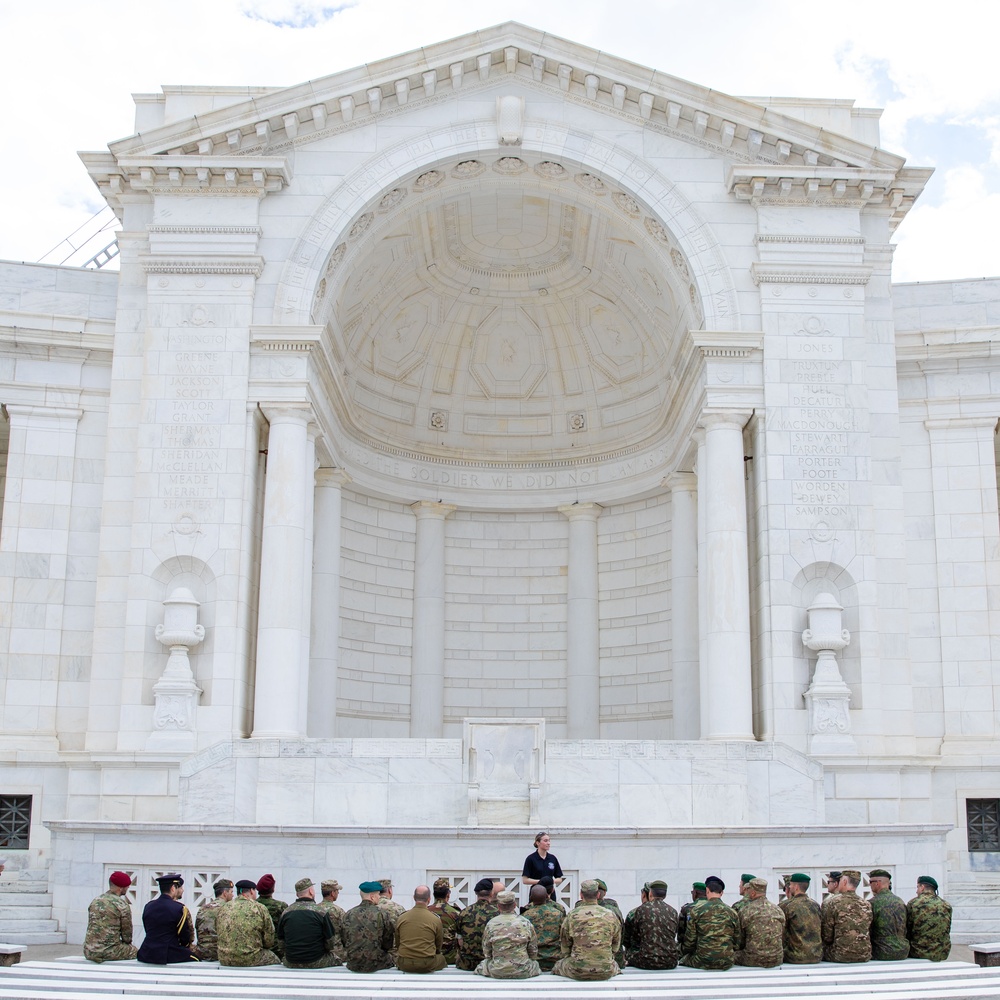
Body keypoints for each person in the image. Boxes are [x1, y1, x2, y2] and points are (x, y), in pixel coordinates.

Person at [551, 879, 621, 980]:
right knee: (614, 965)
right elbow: (615, 945)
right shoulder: (610, 915)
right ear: (598, 895)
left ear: (581, 895)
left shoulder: (572, 915)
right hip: (606, 970)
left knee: (558, 965)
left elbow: (565, 945)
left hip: (577, 970)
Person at [277, 877, 340, 969]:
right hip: (316, 960)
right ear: (311, 891)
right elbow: (330, 942)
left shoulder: (286, 912)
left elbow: (280, 942)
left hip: (290, 961)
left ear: (297, 894)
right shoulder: (320, 912)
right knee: (338, 959)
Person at [476, 889, 540, 978]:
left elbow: (487, 952)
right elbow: (533, 951)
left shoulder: (491, 924)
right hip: (523, 970)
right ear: (514, 905)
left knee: (483, 964)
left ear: (498, 906)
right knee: (535, 964)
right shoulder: (525, 923)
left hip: (497, 970)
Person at [679, 875, 738, 970]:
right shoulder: (732, 912)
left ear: (707, 891)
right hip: (727, 961)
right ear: (722, 893)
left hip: (702, 960)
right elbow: (737, 941)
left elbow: (690, 942)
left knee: (683, 960)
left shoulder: (697, 911)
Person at [216, 878, 279, 967]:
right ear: (251, 891)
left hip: (225, 959)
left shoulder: (224, 907)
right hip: (251, 958)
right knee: (275, 958)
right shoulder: (259, 907)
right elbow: (269, 941)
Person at [136, 874, 198, 964]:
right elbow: (185, 938)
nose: (182, 890)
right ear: (173, 888)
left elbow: (148, 930)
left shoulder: (148, 906)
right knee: (196, 959)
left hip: (146, 953)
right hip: (168, 954)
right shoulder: (180, 909)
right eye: (180, 887)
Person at [623, 879, 678, 970]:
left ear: (650, 893)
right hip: (670, 962)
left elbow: (633, 938)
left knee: (629, 952)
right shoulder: (673, 911)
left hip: (646, 961)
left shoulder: (641, 910)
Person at [84, 871, 137, 963]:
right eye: (127, 886)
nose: (128, 888)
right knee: (135, 951)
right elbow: (127, 936)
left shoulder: (95, 901)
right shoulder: (121, 904)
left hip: (89, 951)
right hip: (109, 951)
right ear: (121, 888)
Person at [341, 881, 395, 972]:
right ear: (372, 897)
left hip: (353, 963)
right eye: (378, 895)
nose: (379, 897)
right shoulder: (382, 914)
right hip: (376, 962)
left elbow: (344, 939)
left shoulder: (349, 914)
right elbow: (388, 942)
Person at [821, 869, 872, 962]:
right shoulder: (866, 904)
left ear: (844, 882)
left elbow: (827, 936)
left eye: (840, 881)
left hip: (839, 954)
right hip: (864, 954)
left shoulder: (833, 902)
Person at [394, 885, 447, 973]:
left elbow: (398, 943)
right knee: (442, 959)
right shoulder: (435, 919)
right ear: (429, 899)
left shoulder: (402, 917)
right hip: (427, 964)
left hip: (404, 963)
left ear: (414, 898)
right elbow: (438, 946)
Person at [734, 877, 784, 968]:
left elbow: (739, 940)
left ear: (753, 893)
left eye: (748, 890)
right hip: (776, 959)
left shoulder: (746, 910)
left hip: (752, 959)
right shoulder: (778, 910)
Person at [454, 877, 499, 971]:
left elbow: (460, 940)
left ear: (476, 894)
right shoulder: (497, 913)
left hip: (466, 964)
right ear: (491, 893)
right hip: (490, 964)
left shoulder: (464, 912)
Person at [906, 875, 952, 962]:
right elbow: (947, 928)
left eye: (917, 887)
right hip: (942, 953)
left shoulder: (913, 903)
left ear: (922, 887)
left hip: (918, 952)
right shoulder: (946, 905)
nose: (916, 891)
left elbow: (907, 929)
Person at [780, 873, 822, 964]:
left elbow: (781, 933)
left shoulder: (786, 905)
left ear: (796, 887)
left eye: (790, 885)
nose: (789, 887)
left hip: (795, 956)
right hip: (817, 955)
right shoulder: (815, 905)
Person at [521, 883, 564, 971]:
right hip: (555, 960)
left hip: (534, 961)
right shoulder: (558, 914)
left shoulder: (525, 916)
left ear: (531, 898)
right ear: (546, 897)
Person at [868, 869, 909, 960]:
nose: (869, 885)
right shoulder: (900, 901)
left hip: (880, 951)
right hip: (903, 951)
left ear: (877, 883)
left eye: (870, 882)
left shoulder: (872, 903)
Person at [195, 878, 234, 961]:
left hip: (202, 953)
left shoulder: (202, 908)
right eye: (231, 892)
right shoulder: (229, 908)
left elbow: (198, 931)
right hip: (220, 954)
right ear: (225, 893)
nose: (233, 895)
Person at [428, 877, 461, 964]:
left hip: (430, 958)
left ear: (434, 894)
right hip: (450, 959)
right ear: (448, 894)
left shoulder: (425, 911)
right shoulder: (456, 913)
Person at [255, 874, 286, 958]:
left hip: (256, 949)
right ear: (273, 889)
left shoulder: (252, 905)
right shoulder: (281, 906)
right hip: (277, 950)